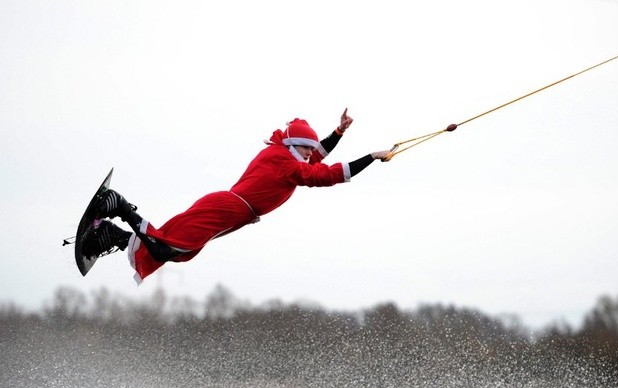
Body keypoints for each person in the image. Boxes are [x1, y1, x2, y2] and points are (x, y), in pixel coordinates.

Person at [82, 109, 391, 283]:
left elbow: (315, 160)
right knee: (167, 247)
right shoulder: (286, 163)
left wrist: (338, 133)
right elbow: (325, 175)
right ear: (296, 146)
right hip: (228, 209)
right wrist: (371, 157)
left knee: (180, 251)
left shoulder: (286, 156)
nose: (312, 155)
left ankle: (110, 236)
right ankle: (119, 206)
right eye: (307, 150)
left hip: (233, 213)